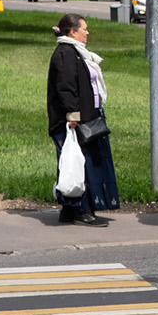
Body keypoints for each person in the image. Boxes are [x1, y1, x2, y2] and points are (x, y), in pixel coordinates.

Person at [47, 14, 119, 227]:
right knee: (82, 164)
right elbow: (66, 88)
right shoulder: (65, 54)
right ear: (72, 32)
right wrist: (73, 116)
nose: (87, 32)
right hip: (75, 121)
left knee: (77, 162)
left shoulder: (75, 52)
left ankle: (70, 209)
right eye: (84, 29)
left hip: (86, 117)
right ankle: (83, 210)